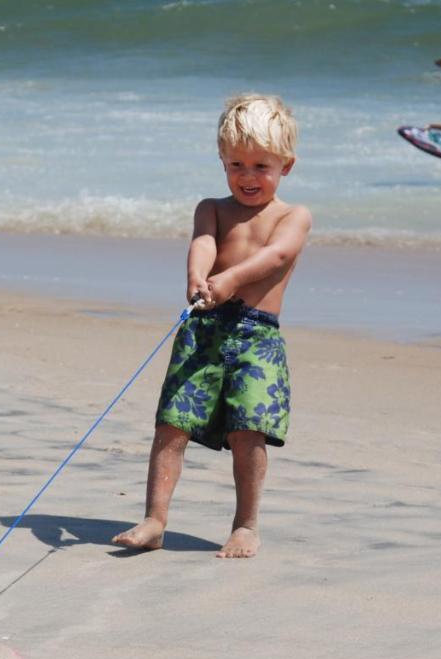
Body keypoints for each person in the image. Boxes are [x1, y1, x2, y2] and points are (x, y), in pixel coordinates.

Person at [112, 94, 311, 560]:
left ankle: (245, 525)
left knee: (248, 431)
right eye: (236, 164)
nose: (247, 176)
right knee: (172, 426)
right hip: (204, 330)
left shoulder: (293, 216)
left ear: (287, 166)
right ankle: (154, 520)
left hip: (256, 336)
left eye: (261, 165)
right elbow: (203, 242)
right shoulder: (212, 208)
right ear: (222, 161)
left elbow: (276, 255)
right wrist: (197, 277)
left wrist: (232, 279)